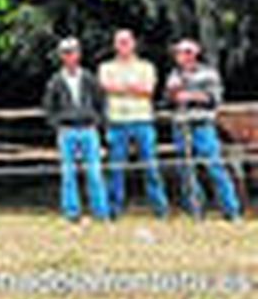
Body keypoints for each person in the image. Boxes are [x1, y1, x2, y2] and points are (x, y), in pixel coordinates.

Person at [165, 38, 242, 221]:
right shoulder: (173, 75)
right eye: (177, 53)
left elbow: (213, 98)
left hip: (203, 125)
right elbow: (168, 100)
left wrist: (190, 95)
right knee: (186, 169)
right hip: (181, 125)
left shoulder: (209, 74)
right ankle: (196, 210)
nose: (179, 56)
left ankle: (231, 210)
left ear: (193, 54)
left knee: (214, 166)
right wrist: (172, 95)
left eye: (183, 52)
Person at [98, 28, 168, 218]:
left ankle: (160, 208)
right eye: (119, 42)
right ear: (114, 45)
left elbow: (148, 90)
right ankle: (114, 209)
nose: (123, 45)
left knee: (150, 166)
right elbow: (106, 86)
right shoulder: (106, 67)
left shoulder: (146, 66)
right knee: (116, 168)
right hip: (117, 121)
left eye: (126, 41)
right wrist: (133, 88)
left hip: (143, 120)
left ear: (134, 43)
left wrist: (122, 88)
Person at [42, 36, 111, 222]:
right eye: (65, 53)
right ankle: (71, 212)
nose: (69, 57)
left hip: (89, 129)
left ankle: (101, 212)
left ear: (79, 54)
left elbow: (101, 101)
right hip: (67, 131)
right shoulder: (55, 81)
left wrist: (98, 121)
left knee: (95, 173)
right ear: (61, 57)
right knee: (68, 174)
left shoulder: (89, 78)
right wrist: (57, 123)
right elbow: (49, 106)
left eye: (72, 52)